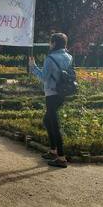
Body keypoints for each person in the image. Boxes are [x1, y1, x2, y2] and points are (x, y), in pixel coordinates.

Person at [29, 32, 73, 168]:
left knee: (54, 124)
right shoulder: (69, 57)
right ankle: (53, 151)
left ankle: (61, 158)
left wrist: (33, 67)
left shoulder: (50, 58)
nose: (49, 44)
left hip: (52, 93)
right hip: (63, 93)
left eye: (50, 42)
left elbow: (44, 77)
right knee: (47, 120)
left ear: (54, 43)